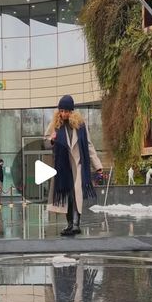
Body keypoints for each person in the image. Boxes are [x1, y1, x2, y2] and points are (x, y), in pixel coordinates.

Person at [44, 95, 102, 236]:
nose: (64, 114)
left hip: (78, 166)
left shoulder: (81, 126)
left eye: (66, 111)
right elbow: (45, 142)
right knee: (67, 196)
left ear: (72, 111)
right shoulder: (54, 125)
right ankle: (70, 224)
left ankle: (76, 224)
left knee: (76, 195)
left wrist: (98, 165)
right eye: (61, 111)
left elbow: (88, 145)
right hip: (63, 167)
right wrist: (51, 140)